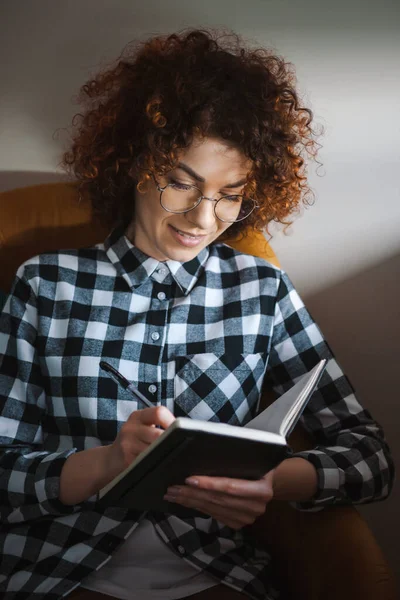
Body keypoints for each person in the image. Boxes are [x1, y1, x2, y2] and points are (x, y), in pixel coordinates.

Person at [0, 28, 394, 600]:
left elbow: (371, 456)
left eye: (230, 194)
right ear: (136, 162)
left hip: (218, 576)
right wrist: (105, 463)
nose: (203, 219)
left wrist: (273, 482)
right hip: (59, 573)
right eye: (181, 184)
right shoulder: (46, 283)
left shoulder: (263, 290)